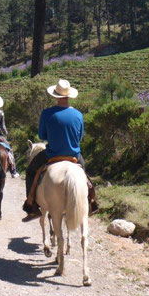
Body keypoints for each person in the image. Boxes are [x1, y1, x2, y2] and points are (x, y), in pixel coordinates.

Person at [22, 79, 97, 222]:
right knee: (85, 174)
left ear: (55, 96)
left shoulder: (46, 113)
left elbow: (42, 135)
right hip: (74, 155)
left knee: (31, 171)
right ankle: (90, 201)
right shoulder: (78, 114)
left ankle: (31, 206)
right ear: (69, 96)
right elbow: (79, 137)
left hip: (51, 154)